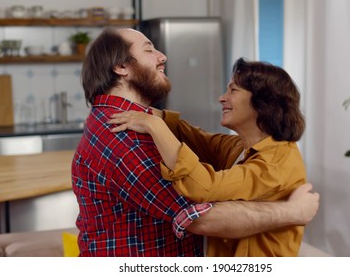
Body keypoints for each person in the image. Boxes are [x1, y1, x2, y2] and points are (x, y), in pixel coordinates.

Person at [71, 27, 319, 257]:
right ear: (121, 67)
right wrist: (293, 212)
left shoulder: (123, 122)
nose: (162, 56)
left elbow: (200, 156)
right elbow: (200, 217)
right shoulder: (126, 135)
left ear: (262, 104)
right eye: (149, 49)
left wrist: (154, 121)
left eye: (233, 91)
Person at [109, 57, 308, 257]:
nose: (222, 98)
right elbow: (198, 138)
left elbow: (204, 186)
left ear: (263, 102)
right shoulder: (240, 146)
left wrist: (154, 126)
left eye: (233, 90)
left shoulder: (276, 162)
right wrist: (148, 114)